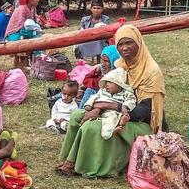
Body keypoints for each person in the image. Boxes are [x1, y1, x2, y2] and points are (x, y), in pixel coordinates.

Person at [56, 25, 167, 177]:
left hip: (140, 123)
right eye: (120, 44)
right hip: (115, 112)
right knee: (77, 115)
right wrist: (97, 108)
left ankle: (83, 166)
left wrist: (106, 106)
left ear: (139, 43)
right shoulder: (120, 65)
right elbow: (107, 92)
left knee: (92, 127)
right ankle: (68, 159)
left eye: (129, 43)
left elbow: (146, 111)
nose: (124, 48)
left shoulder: (151, 72)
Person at [83, 68, 136, 139]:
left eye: (110, 83)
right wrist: (88, 104)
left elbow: (131, 100)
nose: (107, 85)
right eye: (106, 82)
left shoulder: (125, 93)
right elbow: (94, 97)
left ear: (119, 84)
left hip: (113, 112)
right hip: (98, 110)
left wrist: (125, 107)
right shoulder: (103, 91)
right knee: (86, 116)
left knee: (112, 119)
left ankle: (109, 133)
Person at [78, 45, 120, 109]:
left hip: (106, 102)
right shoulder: (101, 71)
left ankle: (80, 111)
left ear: (114, 61)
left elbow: (89, 83)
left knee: (90, 90)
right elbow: (86, 80)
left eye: (106, 61)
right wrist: (96, 71)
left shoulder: (116, 76)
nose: (103, 64)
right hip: (96, 98)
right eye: (102, 60)